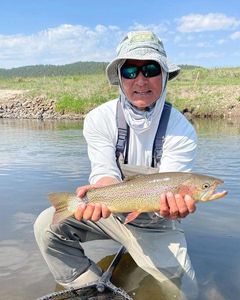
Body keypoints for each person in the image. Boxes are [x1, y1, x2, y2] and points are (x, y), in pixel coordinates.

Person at [34, 31, 198, 298]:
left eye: (151, 69)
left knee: (182, 291)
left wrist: (173, 210)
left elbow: (172, 193)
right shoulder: (99, 119)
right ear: (119, 78)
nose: (141, 80)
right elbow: (105, 172)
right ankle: (87, 286)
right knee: (46, 226)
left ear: (165, 75)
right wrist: (98, 195)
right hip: (112, 213)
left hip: (157, 223)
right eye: (130, 71)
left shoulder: (182, 130)